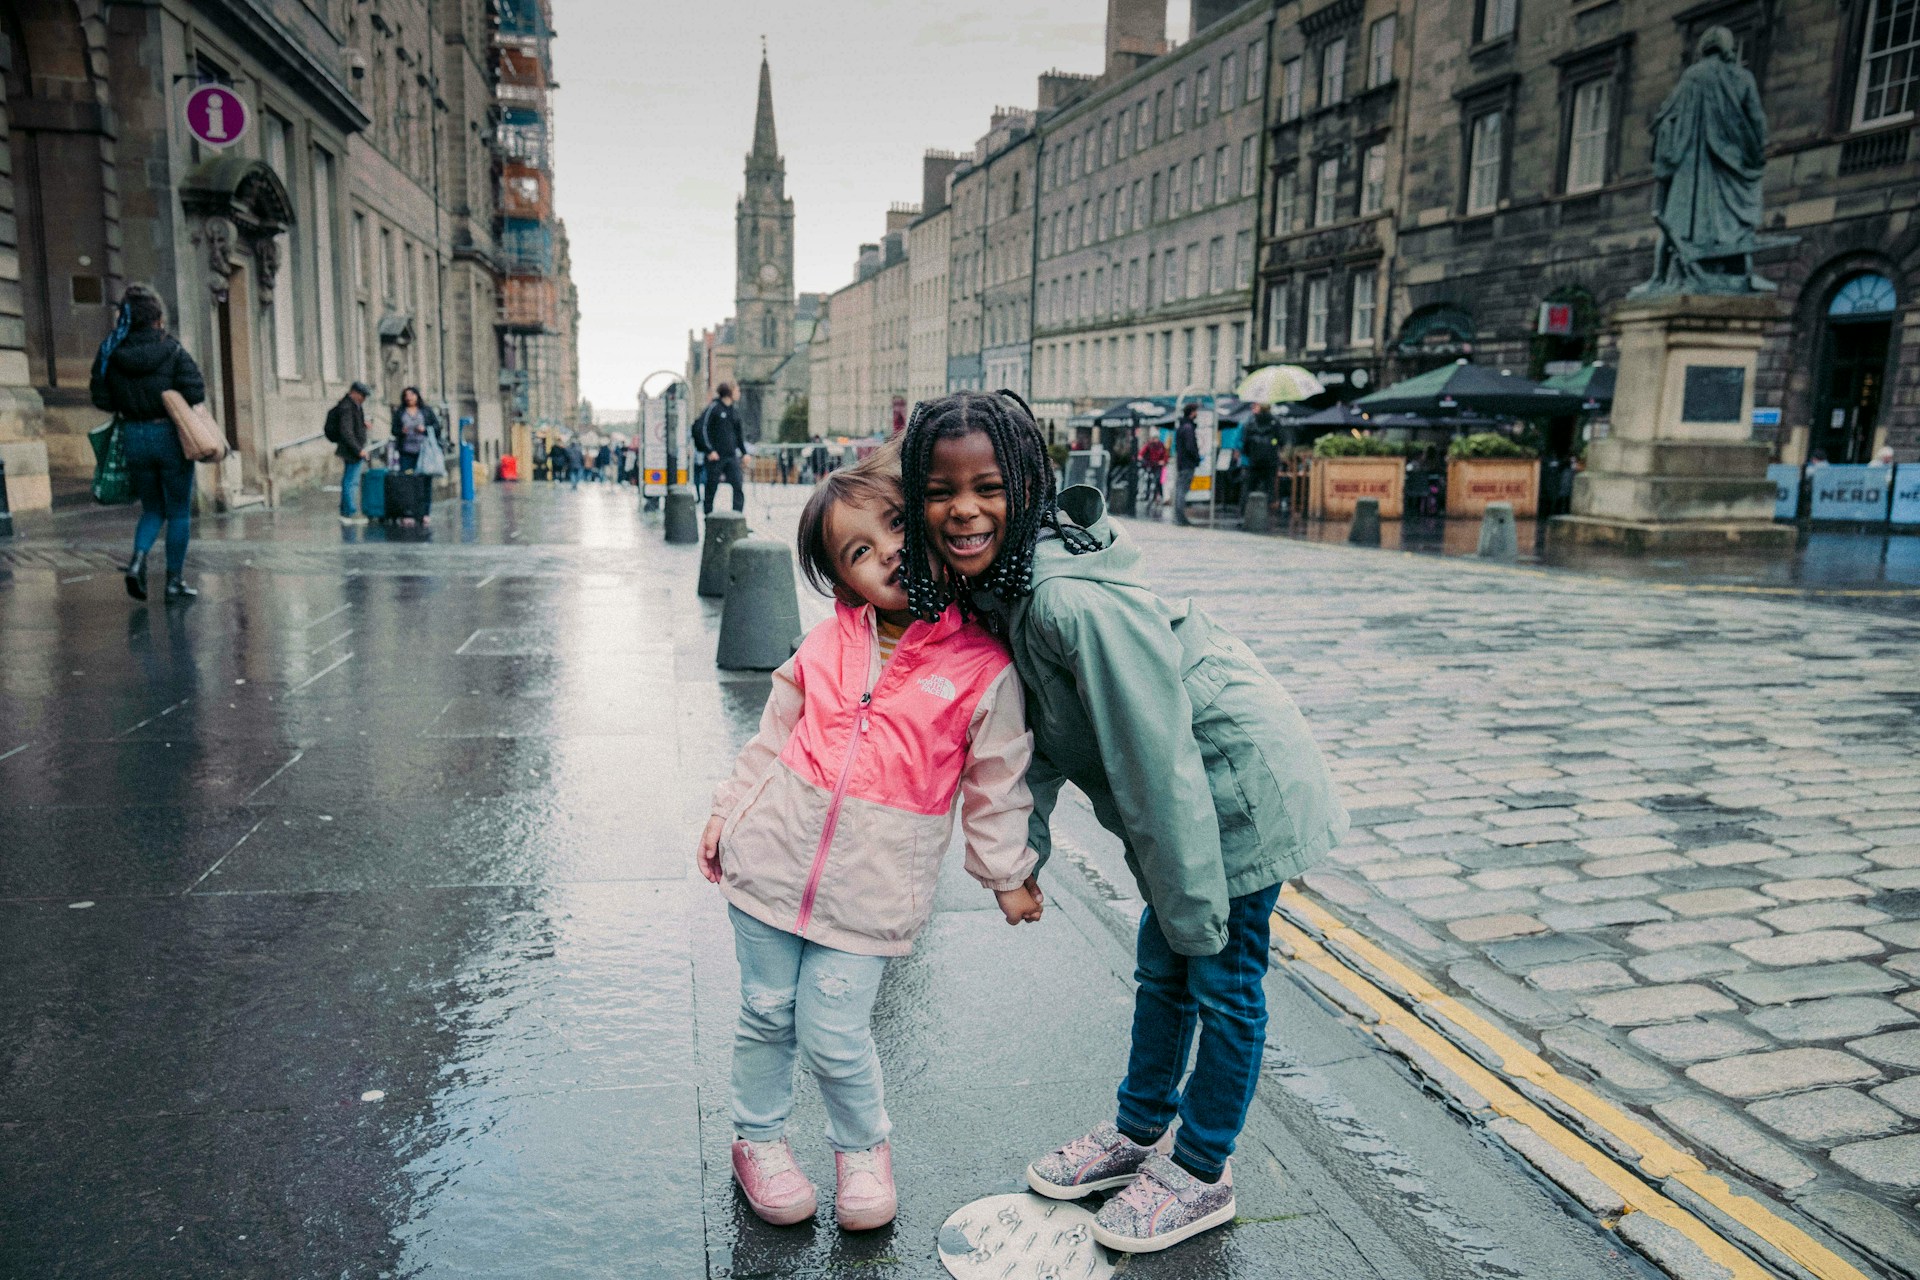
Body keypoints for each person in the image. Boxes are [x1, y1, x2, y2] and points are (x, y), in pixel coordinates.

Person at [898, 391, 1349, 1255]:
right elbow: (1041, 739)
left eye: (987, 487)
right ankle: (1140, 1135)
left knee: (1218, 974)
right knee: (1164, 964)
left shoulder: (1070, 605)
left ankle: (1203, 1169)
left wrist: (1189, 912)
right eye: (940, 489)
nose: (964, 509)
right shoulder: (1006, 588)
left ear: (1025, 486)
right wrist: (1017, 858)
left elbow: (1158, 765)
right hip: (1184, 787)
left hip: (1232, 784)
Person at [699, 448, 1044, 1233]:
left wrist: (1007, 874)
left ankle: (862, 1151)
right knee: (764, 1011)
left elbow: (997, 784)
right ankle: (757, 1140)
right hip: (769, 864)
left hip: (874, 889)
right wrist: (725, 813)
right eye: (858, 550)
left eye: (893, 524)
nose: (886, 550)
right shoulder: (825, 646)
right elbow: (769, 741)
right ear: (841, 579)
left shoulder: (981, 669)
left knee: (835, 1032)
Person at [90, 284, 208, 602]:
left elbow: (100, 397)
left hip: (134, 437)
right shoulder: (171, 348)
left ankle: (137, 561)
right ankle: (173, 583)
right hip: (169, 436)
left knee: (152, 508)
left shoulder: (111, 350)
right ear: (156, 317)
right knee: (179, 511)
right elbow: (196, 391)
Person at [692, 381, 747, 515]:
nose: (739, 393)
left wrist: (744, 453)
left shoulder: (734, 411)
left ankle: (737, 516)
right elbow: (701, 429)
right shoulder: (714, 408)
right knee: (711, 488)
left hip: (730, 456)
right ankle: (708, 516)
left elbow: (738, 434)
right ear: (730, 391)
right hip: (715, 457)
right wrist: (709, 450)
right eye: (737, 390)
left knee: (738, 486)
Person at [390, 386, 441, 526]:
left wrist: (424, 430)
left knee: (425, 482)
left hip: (424, 452)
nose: (409, 397)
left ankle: (424, 512)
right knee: (406, 482)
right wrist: (402, 431)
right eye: (406, 395)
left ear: (417, 396)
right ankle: (408, 513)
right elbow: (393, 430)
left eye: (412, 394)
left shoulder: (426, 411)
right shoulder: (400, 412)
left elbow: (437, 427)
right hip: (406, 451)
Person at [325, 380, 374, 525]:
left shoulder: (354, 406)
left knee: (350, 480)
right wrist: (359, 450)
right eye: (362, 395)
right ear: (354, 393)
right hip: (351, 450)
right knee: (351, 482)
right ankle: (349, 512)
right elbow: (346, 431)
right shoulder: (347, 406)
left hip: (352, 449)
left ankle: (345, 511)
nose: (364, 399)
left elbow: (351, 426)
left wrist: (362, 424)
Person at [1240, 404, 1284, 521]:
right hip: (1270, 461)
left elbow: (1245, 444)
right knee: (1269, 488)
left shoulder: (1250, 423)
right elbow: (1281, 440)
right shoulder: (1275, 422)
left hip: (1254, 461)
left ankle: (1244, 515)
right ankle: (1267, 517)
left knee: (1249, 487)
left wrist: (1250, 454)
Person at [1173, 402, 1202, 526]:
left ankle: (1179, 515)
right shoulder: (1188, 428)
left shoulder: (1183, 426)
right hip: (1187, 463)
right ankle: (1180, 516)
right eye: (1196, 411)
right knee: (1182, 490)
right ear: (1191, 412)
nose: (1197, 414)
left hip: (1183, 463)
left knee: (1181, 489)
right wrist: (1197, 458)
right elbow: (1190, 446)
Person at [1139, 430, 1169, 510]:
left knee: (1158, 481)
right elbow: (1141, 454)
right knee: (1148, 480)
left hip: (1158, 466)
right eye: (1153, 438)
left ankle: (1160, 496)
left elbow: (1165, 456)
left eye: (1156, 438)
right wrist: (1141, 459)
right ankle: (1147, 496)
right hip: (1150, 465)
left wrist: (1163, 461)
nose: (1154, 440)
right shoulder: (1148, 445)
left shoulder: (1161, 445)